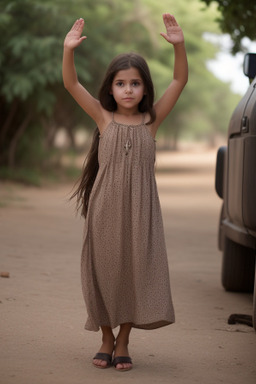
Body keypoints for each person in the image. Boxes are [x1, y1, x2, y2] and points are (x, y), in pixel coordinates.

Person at [62, 13, 188, 372]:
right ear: (111, 88)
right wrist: (67, 50)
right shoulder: (103, 117)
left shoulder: (153, 121)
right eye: (121, 83)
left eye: (135, 83)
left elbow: (180, 79)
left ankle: (124, 340)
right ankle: (105, 336)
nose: (128, 90)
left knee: (136, 272)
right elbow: (71, 84)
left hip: (142, 213)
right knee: (103, 271)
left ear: (145, 88)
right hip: (105, 210)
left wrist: (179, 46)